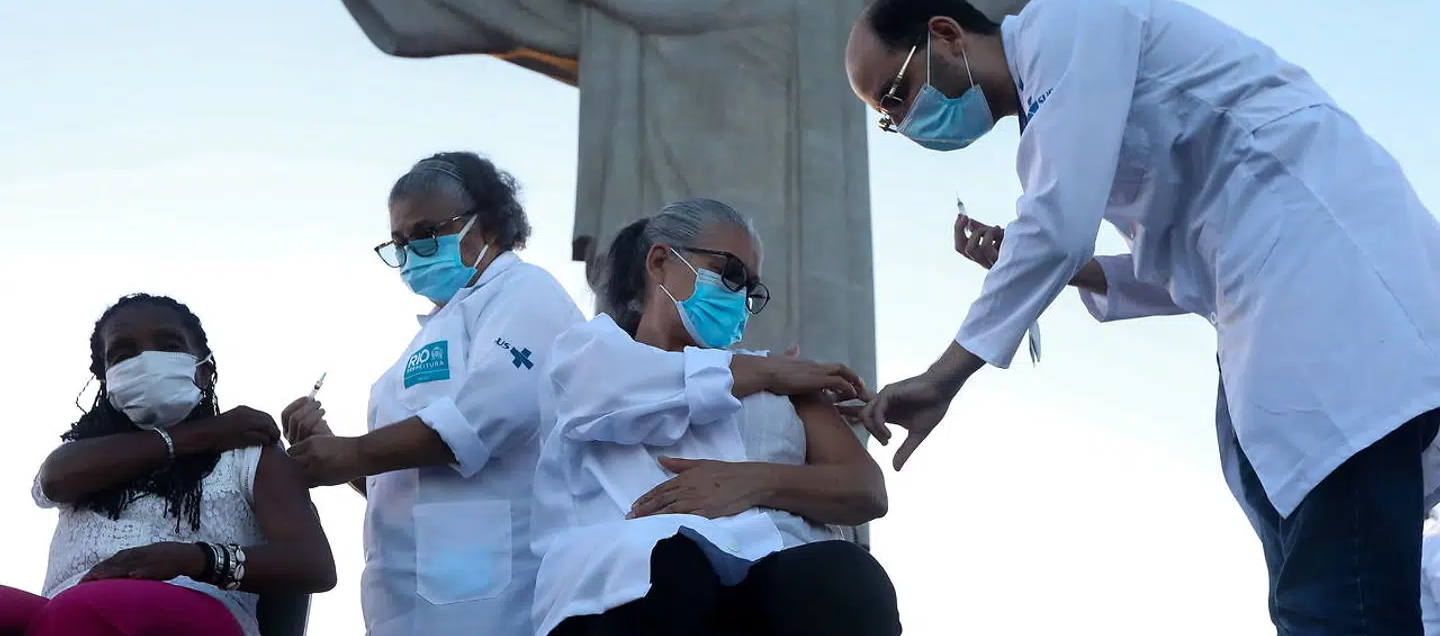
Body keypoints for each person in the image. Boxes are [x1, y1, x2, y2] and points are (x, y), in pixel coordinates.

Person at [843, 0, 1440, 634]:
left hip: (1333, 301)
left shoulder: (1062, 24)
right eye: (889, 118)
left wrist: (942, 377)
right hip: (1279, 318)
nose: (903, 123)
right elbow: (1181, 265)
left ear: (947, 36)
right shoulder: (1059, 106)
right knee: (1313, 599)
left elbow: (1059, 223)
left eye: (896, 94)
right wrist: (1060, 267)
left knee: (1340, 603)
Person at [530, 198, 901, 636]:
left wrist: (752, 482)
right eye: (731, 274)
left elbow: (866, 489)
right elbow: (607, 394)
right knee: (669, 563)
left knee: (845, 575)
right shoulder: (590, 356)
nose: (740, 296)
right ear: (661, 262)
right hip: (633, 591)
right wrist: (766, 370)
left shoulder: (788, 384)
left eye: (750, 288)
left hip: (775, 575)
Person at [280, 151, 585, 636]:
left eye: (425, 233)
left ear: (487, 228)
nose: (410, 252)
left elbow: (490, 415)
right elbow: (405, 483)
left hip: (495, 601)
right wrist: (341, 455)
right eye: (399, 241)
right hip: (409, 600)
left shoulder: (526, 293)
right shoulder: (432, 333)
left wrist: (355, 451)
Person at [0, 293, 336, 636]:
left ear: (204, 372)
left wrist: (194, 559)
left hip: (196, 607)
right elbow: (55, 478)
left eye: (169, 346)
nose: (146, 360)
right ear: (107, 379)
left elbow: (314, 564)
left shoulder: (248, 453)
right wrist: (205, 433)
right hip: (63, 612)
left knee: (89, 608)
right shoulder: (86, 455)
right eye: (123, 354)